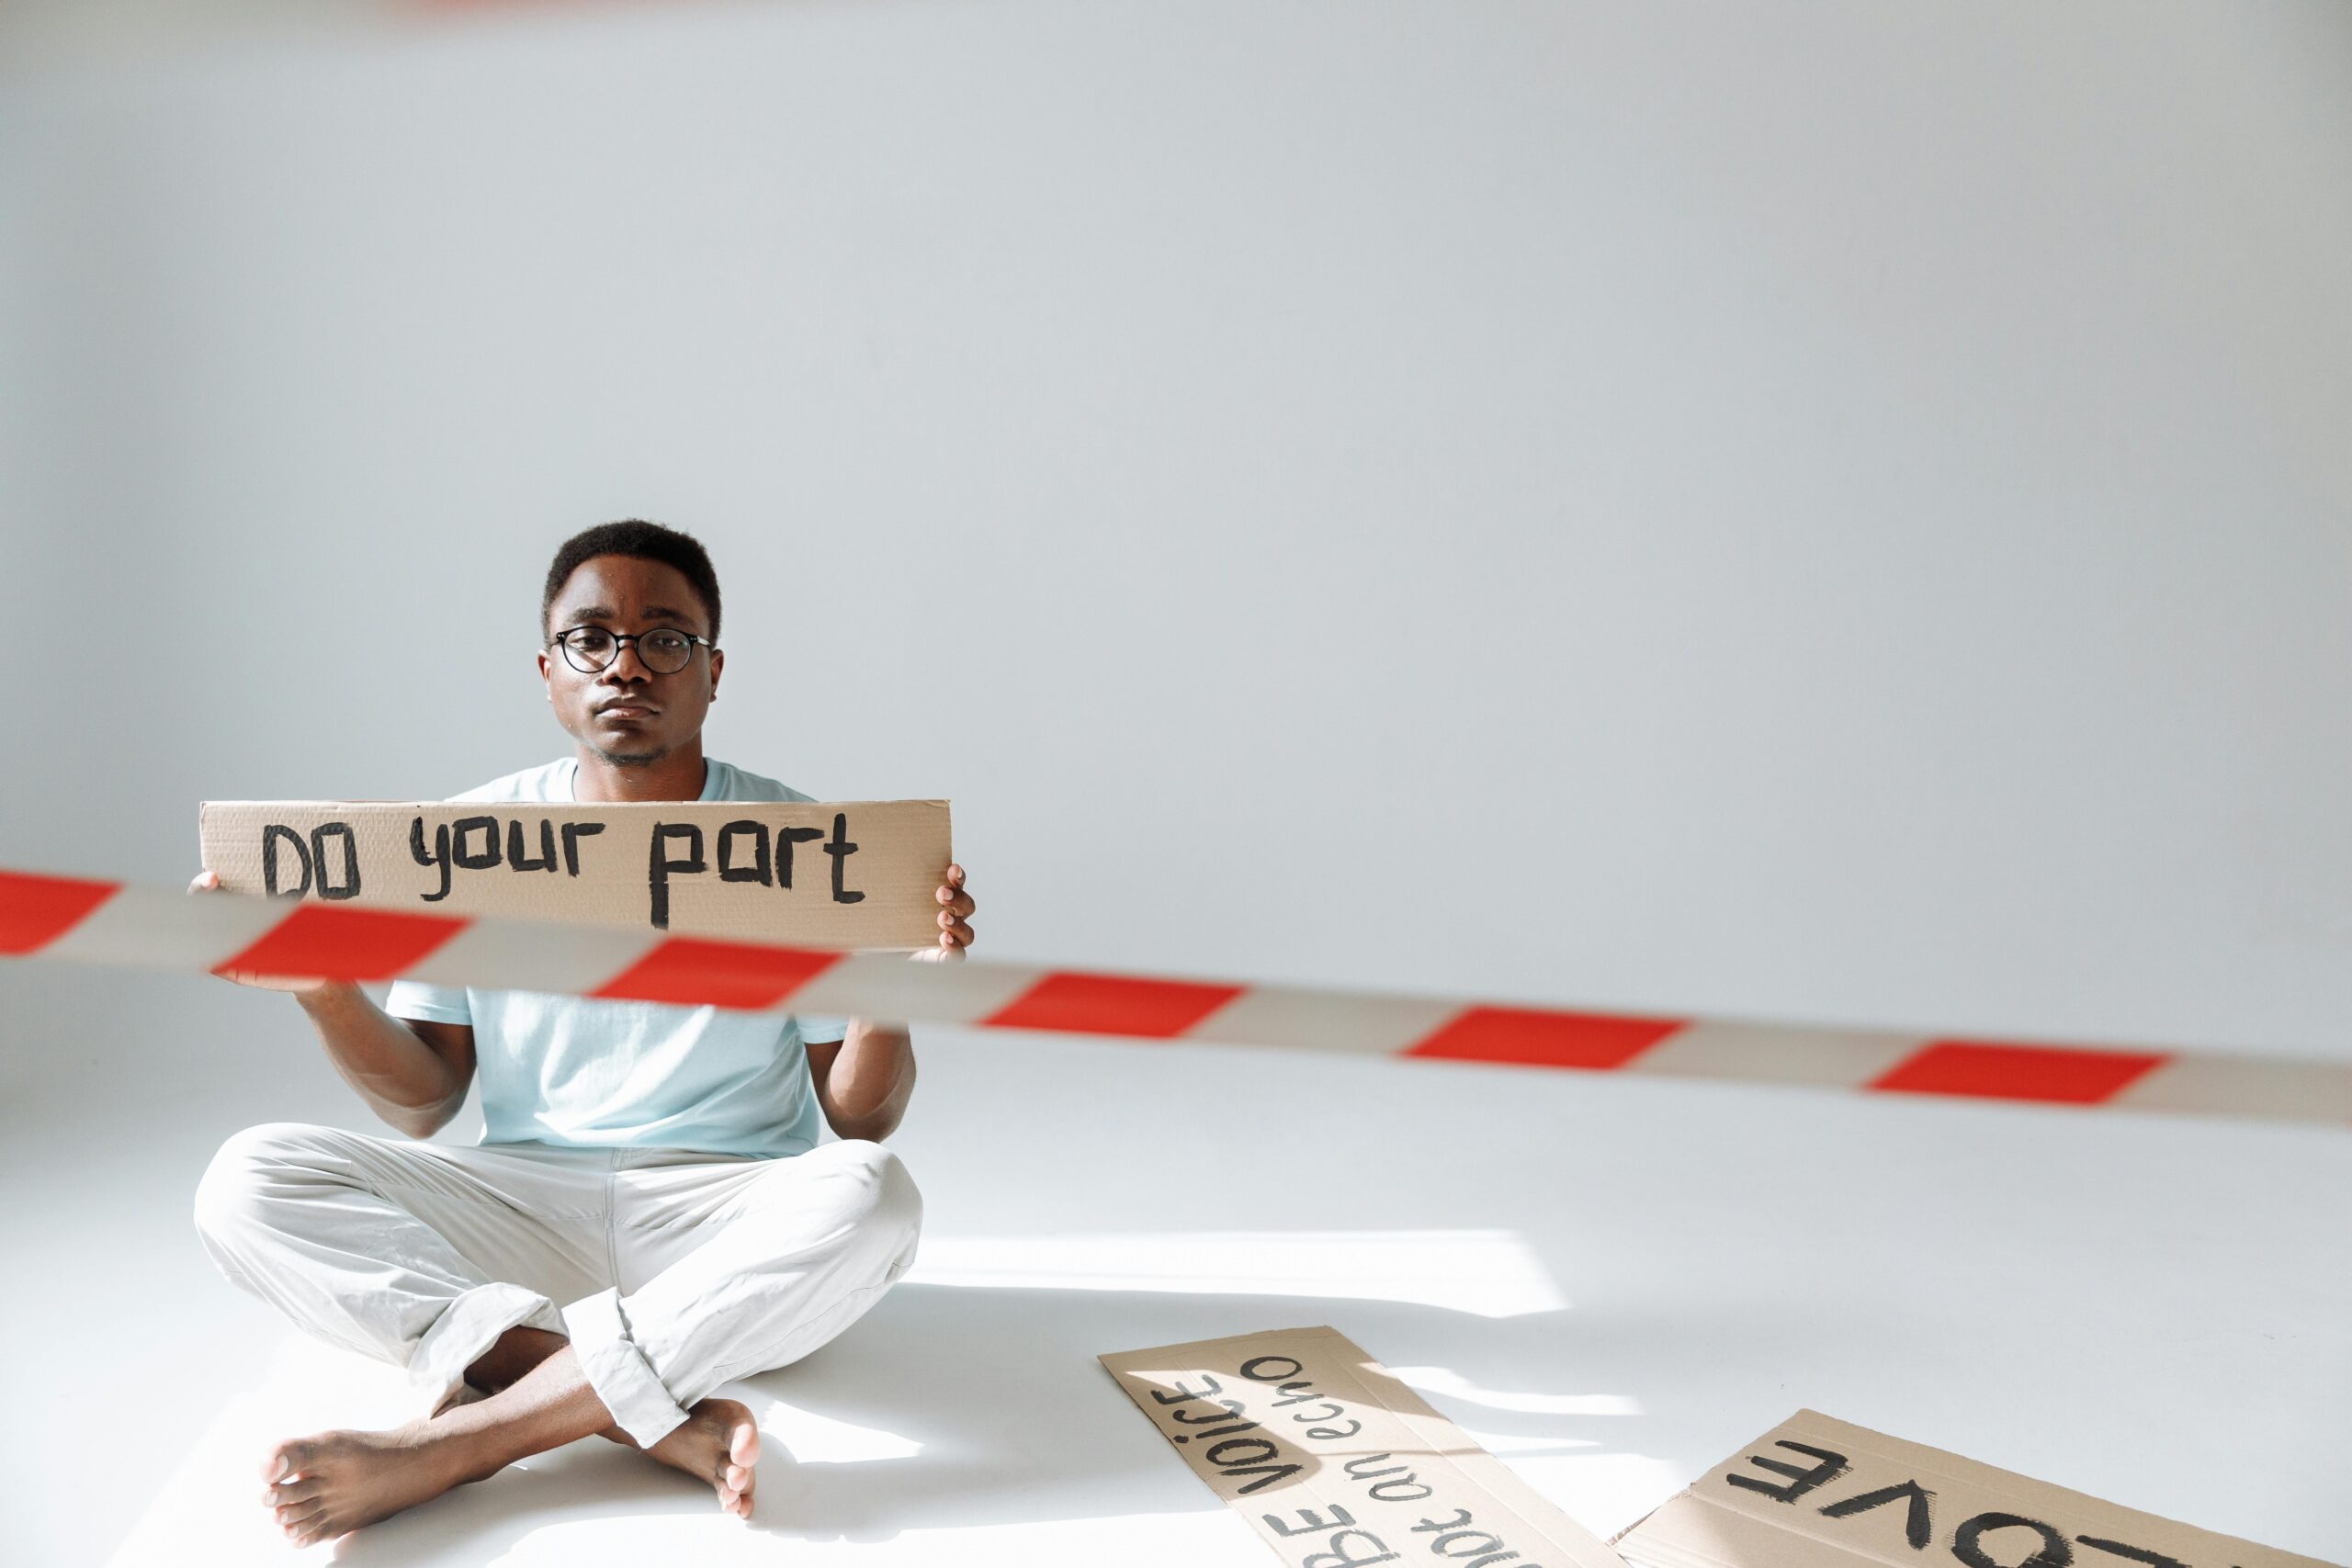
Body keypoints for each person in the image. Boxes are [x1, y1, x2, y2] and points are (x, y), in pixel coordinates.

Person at [188, 520, 974, 1547]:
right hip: (526, 1199)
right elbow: (426, 1102)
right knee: (246, 1180)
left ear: (713, 669)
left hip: (719, 1212)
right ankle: (640, 1419)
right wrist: (325, 988)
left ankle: (464, 1441)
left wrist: (891, 983)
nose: (628, 666)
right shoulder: (472, 840)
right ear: (548, 672)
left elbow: (859, 1120)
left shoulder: (803, 844)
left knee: (876, 1202)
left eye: (666, 640)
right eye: (591, 639)